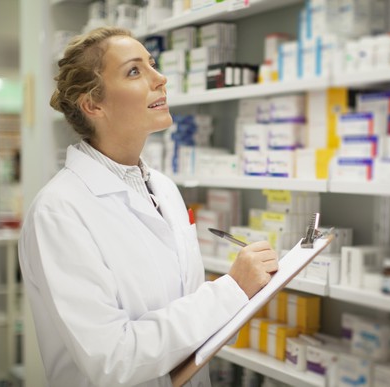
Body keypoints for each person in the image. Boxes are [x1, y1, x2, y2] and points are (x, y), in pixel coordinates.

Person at [18, 26, 279, 387]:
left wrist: (240, 297)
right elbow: (112, 360)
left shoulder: (164, 189)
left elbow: (185, 311)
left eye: (152, 64)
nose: (161, 78)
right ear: (93, 104)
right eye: (135, 71)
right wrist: (231, 290)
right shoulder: (58, 211)